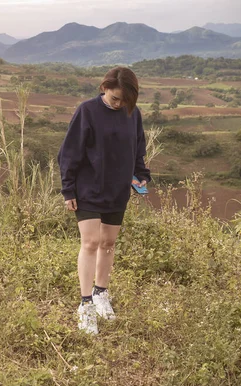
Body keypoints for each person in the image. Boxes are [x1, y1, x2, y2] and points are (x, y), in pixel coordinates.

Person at [57, 66, 151, 335]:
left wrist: (141, 175)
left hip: (117, 189)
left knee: (108, 243)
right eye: (115, 98)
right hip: (88, 188)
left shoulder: (132, 114)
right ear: (104, 88)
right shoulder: (87, 111)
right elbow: (69, 153)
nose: (119, 104)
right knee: (91, 242)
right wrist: (68, 191)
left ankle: (101, 294)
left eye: (125, 100)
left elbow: (138, 148)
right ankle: (85, 304)